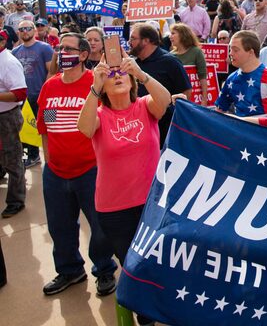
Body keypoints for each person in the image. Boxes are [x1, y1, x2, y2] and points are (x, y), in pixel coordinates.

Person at [77, 52, 171, 326]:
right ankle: (145, 316)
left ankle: (159, 310)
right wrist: (94, 85)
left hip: (152, 205)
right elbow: (83, 129)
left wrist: (141, 73)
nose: (117, 77)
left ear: (132, 81)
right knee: (133, 265)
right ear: (103, 86)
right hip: (114, 209)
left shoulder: (144, 106)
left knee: (156, 262)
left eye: (122, 74)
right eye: (110, 75)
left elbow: (164, 101)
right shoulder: (98, 114)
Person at [37, 32, 117, 297]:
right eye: (59, 48)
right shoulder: (50, 86)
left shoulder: (95, 84)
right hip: (56, 172)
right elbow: (46, 125)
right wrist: (50, 161)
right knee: (59, 226)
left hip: (91, 170)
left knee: (100, 226)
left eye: (68, 49)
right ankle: (70, 270)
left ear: (83, 55)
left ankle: (104, 269)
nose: (61, 53)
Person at [128, 22, 192, 144]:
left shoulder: (170, 62)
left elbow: (186, 91)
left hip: (164, 130)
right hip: (139, 129)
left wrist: (170, 110)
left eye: (133, 38)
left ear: (146, 40)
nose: (129, 42)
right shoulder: (134, 64)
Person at [214, 30, 267, 116]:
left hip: (265, 129)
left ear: (251, 52)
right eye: (230, 49)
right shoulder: (231, 79)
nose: (230, 53)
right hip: (240, 128)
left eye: (235, 50)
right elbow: (219, 111)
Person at [13, 18, 54, 168]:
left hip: (42, 95)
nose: (25, 32)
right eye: (21, 29)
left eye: (28, 28)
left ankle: (52, 154)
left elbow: (52, 71)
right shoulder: (15, 51)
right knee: (27, 126)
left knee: (48, 125)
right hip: (24, 97)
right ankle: (33, 155)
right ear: (18, 32)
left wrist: (45, 91)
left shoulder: (45, 48)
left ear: (34, 30)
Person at [0, 30, 27, 218]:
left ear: (3, 41)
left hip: (7, 116)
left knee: (13, 159)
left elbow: (20, 93)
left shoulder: (8, 62)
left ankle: (16, 200)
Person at [169, 23, 209, 107]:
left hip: (195, 100)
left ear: (183, 35)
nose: (170, 36)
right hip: (177, 101)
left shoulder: (196, 52)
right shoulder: (170, 55)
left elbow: (203, 77)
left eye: (173, 33)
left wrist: (204, 99)